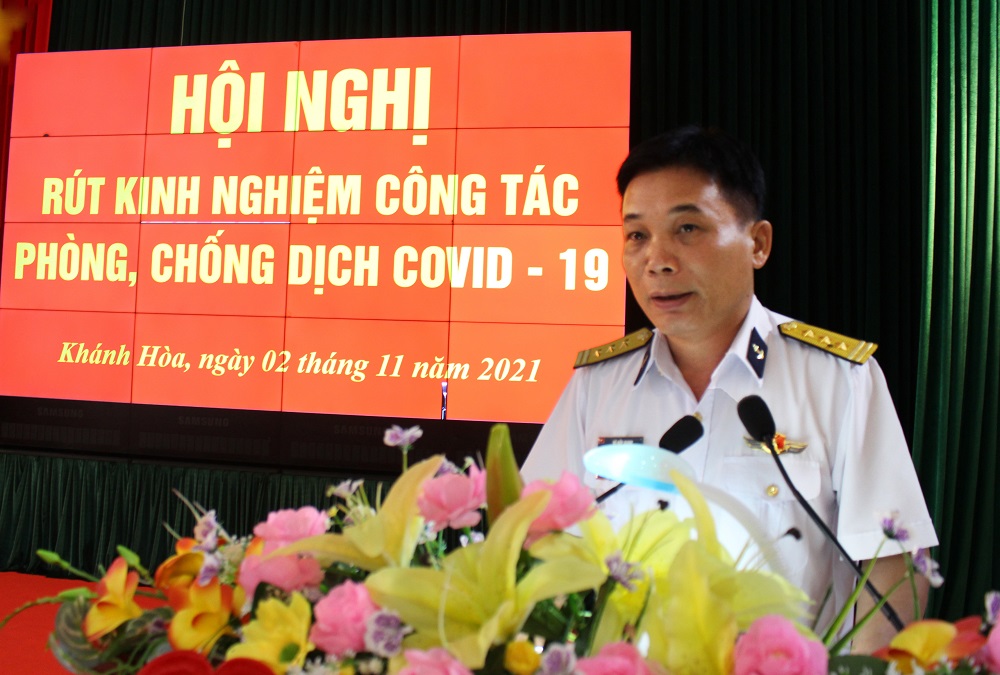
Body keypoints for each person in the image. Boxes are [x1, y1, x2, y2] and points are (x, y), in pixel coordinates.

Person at [520, 126, 938, 648]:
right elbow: (536, 538)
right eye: (637, 236)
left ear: (757, 243)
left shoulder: (838, 379)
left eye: (687, 228)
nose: (657, 259)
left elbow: (893, 567)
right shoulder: (597, 386)